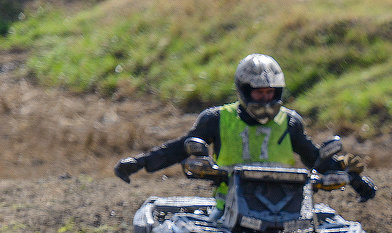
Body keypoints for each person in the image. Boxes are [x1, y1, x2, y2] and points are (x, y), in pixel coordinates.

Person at [113, 53, 375, 205]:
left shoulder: (290, 121)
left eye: (270, 92)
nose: (265, 99)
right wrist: (140, 163)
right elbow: (182, 147)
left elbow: (315, 159)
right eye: (259, 93)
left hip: (286, 206)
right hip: (229, 207)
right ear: (244, 91)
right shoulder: (217, 118)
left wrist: (355, 178)